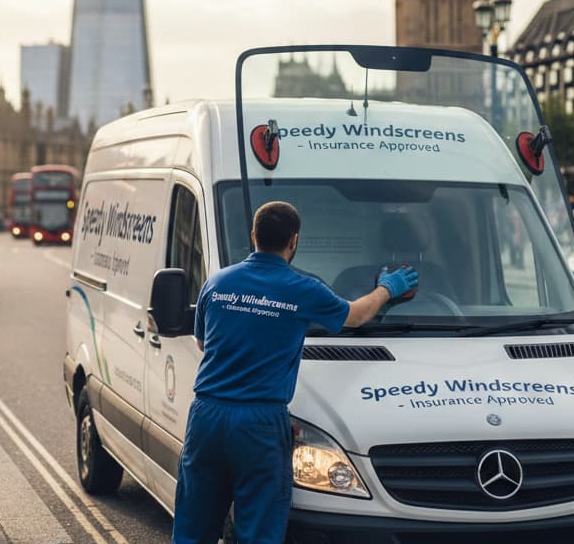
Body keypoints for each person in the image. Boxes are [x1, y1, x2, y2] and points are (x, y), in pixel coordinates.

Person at [171, 201, 418, 544]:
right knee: (257, 528)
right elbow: (357, 315)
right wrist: (388, 288)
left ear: (253, 236)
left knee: (193, 526)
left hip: (207, 417)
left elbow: (203, 343)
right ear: (294, 241)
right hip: (258, 422)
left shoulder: (217, 283)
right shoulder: (302, 289)